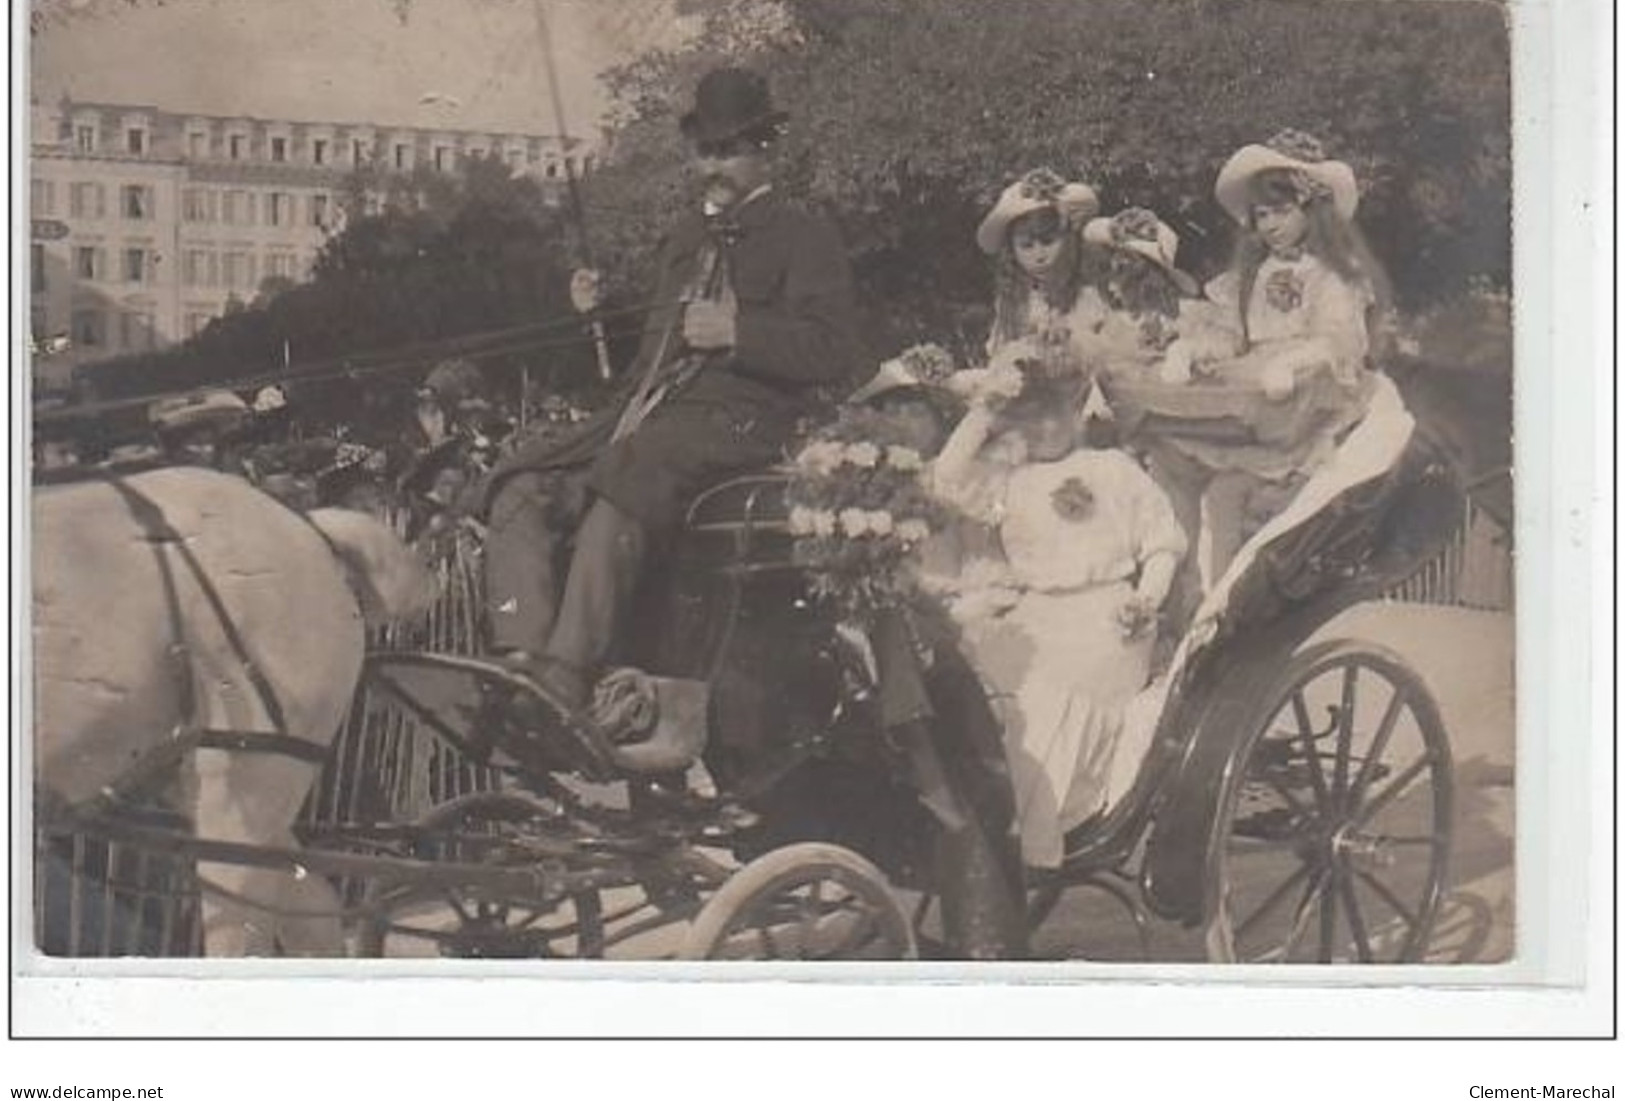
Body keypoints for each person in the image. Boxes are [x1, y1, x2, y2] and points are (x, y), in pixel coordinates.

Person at [481, 66, 864, 710]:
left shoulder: (803, 236)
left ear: (764, 150)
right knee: (520, 484)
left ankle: (565, 679)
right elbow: (654, 354)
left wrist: (739, 333)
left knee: (628, 474)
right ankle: (519, 662)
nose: (712, 164)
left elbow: (835, 350)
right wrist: (600, 318)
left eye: (729, 150)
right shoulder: (685, 240)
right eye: (704, 150)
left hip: (743, 423)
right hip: (653, 421)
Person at [928, 366, 1186, 870]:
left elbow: (1162, 544)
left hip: (1106, 614)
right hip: (1037, 611)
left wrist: (1146, 601)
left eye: (1053, 415)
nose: (1043, 429)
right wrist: (986, 407)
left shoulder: (1113, 468)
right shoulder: (1009, 481)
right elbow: (947, 479)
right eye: (1029, 418)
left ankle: (1037, 827)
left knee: (1049, 698)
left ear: (1075, 413)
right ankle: (980, 822)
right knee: (984, 682)